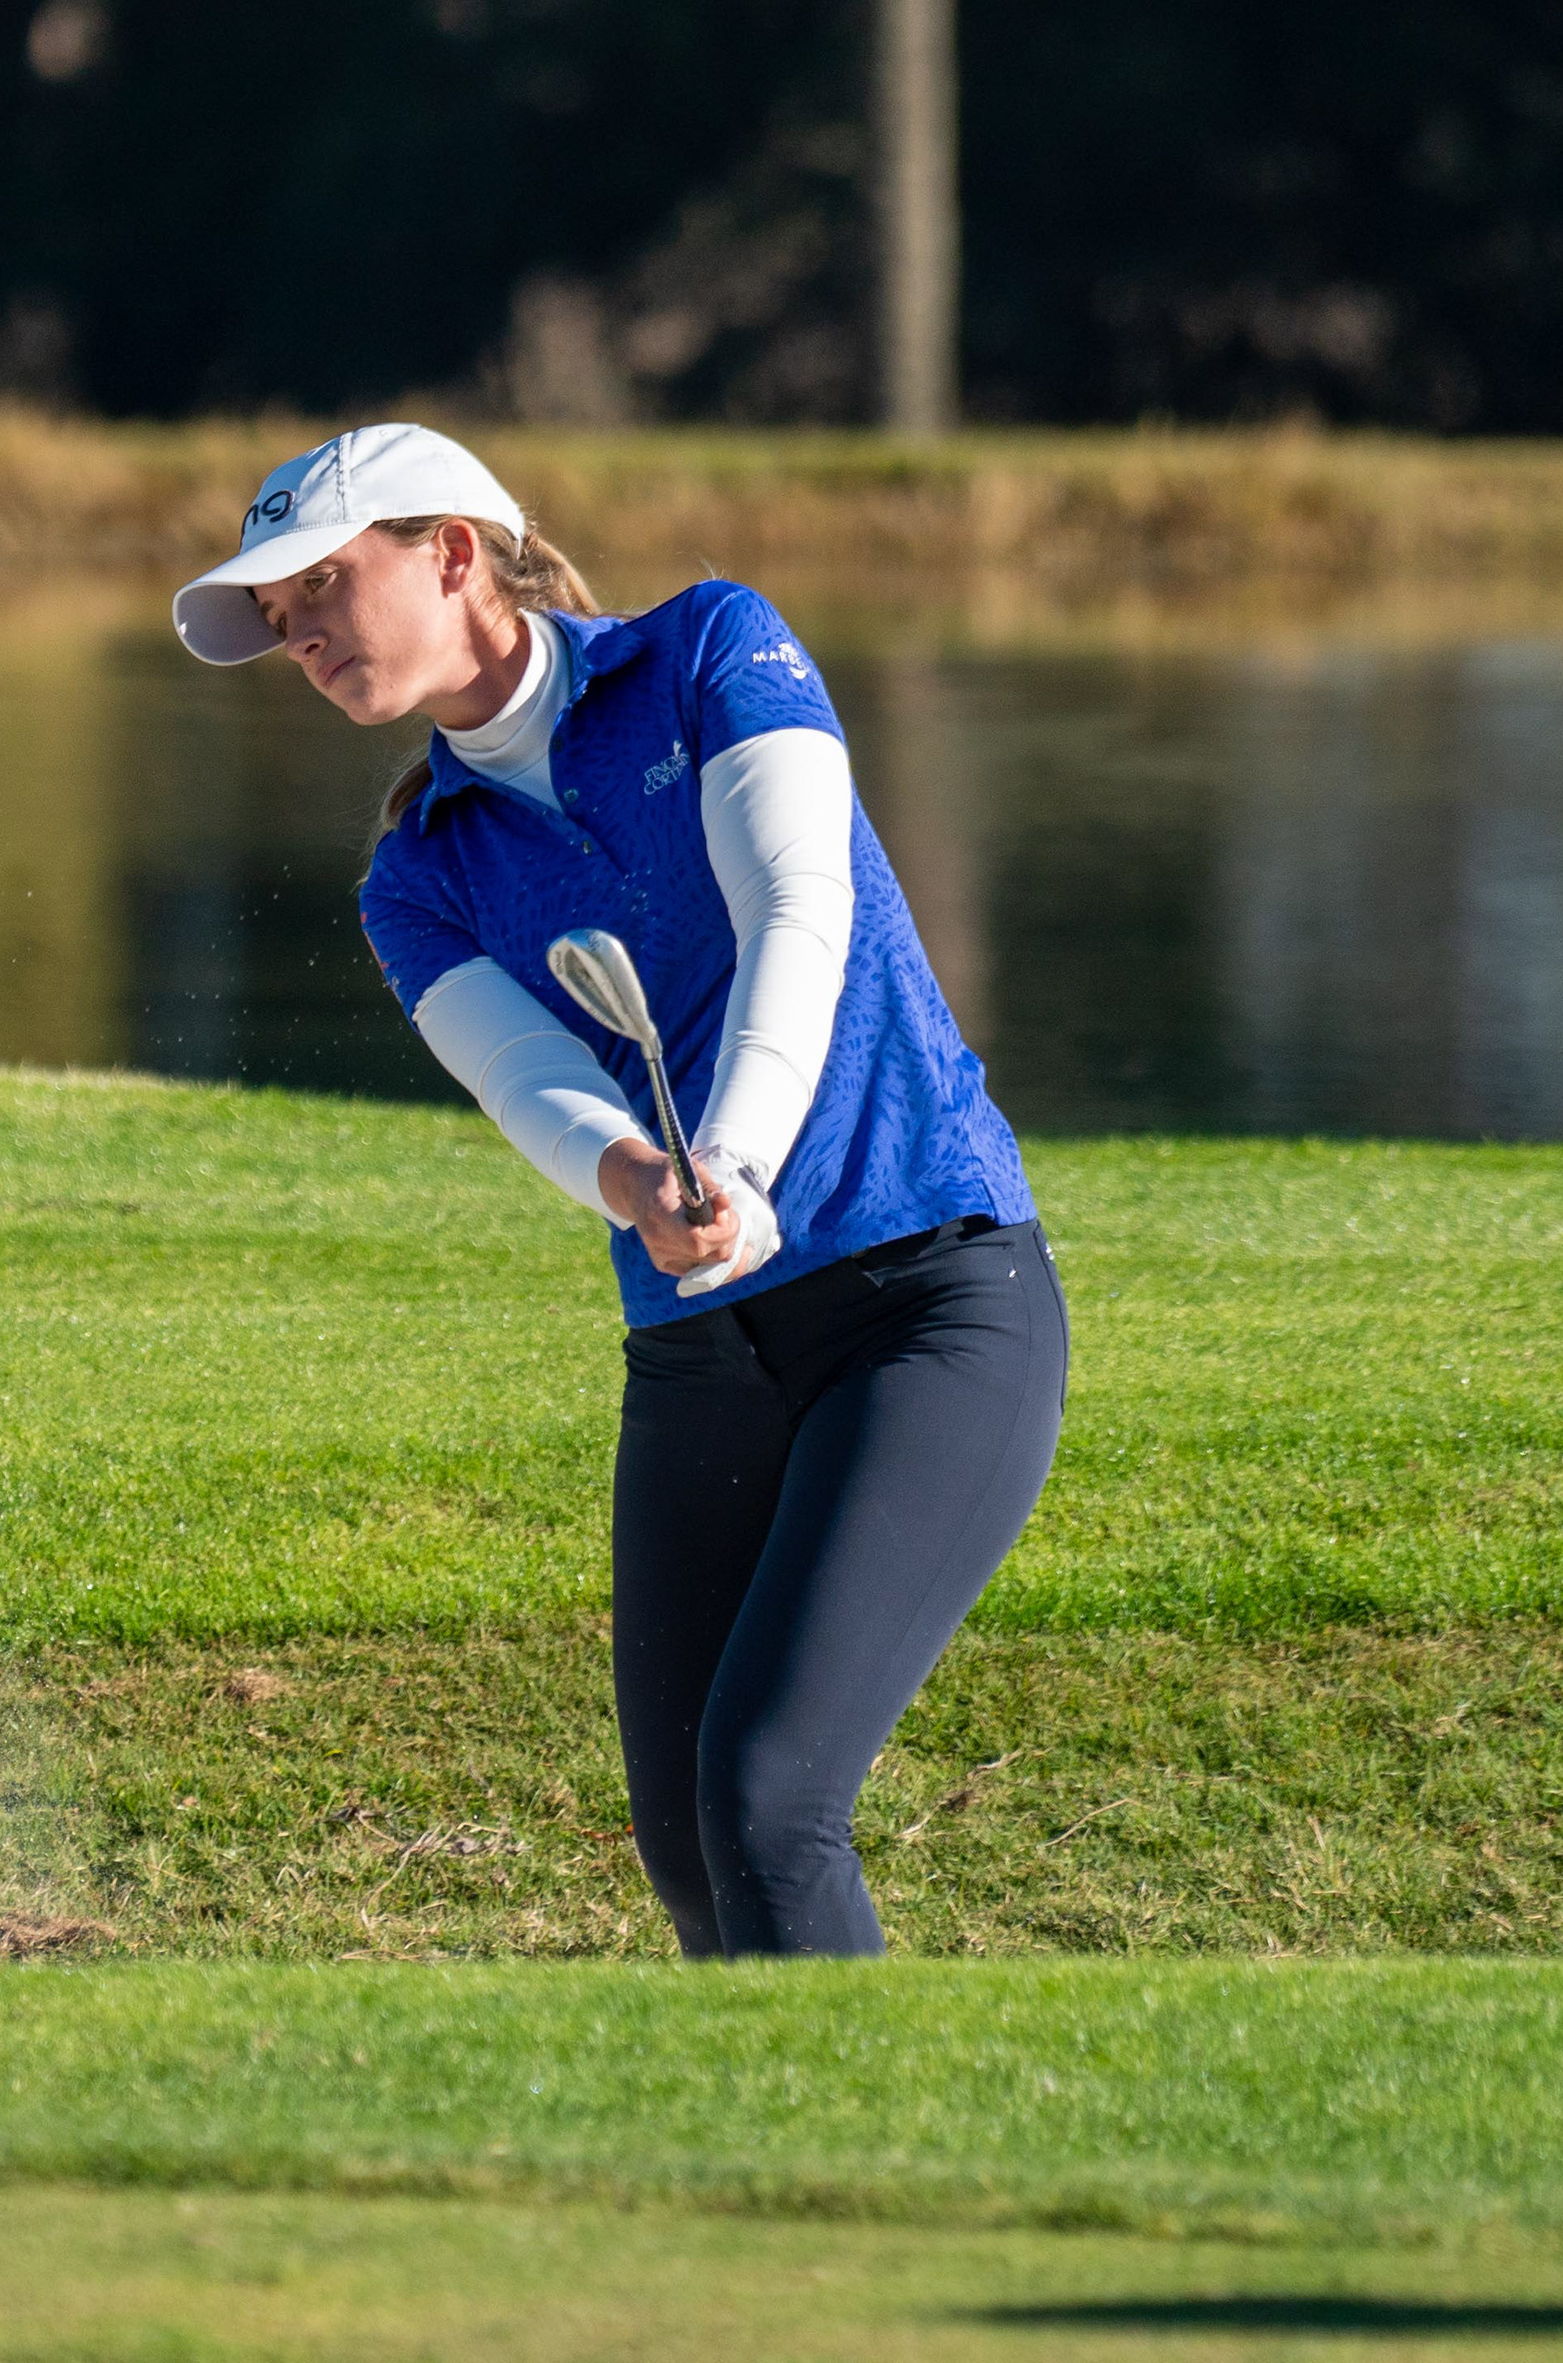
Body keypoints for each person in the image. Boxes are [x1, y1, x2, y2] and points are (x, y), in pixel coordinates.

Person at [171, 423, 1069, 1959]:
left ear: (454, 554)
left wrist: (738, 1160)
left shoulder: (709, 650)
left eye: (321, 583)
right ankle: (791, 2119)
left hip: (925, 1293)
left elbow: (799, 910)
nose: (296, 631)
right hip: (703, 1348)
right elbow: (531, 1081)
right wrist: (640, 1176)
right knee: (692, 1855)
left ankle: (881, 2121)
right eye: (274, 611)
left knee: (768, 1800)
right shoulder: (417, 876)